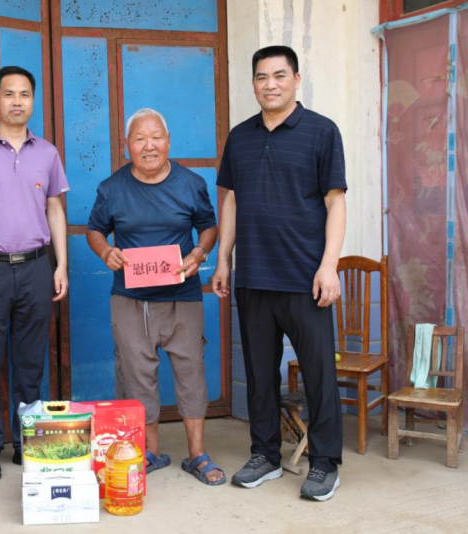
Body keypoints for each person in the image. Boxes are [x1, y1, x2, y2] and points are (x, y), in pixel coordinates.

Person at [211, 45, 347, 501]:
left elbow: (335, 202)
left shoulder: (322, 131)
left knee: (318, 374)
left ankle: (324, 463)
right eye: (261, 77)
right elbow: (231, 200)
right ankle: (265, 454)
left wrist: (329, 266)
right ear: (253, 83)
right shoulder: (240, 136)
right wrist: (224, 259)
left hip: (305, 278)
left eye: (279, 75)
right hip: (254, 276)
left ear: (296, 79)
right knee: (259, 374)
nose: (270, 84)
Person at [86, 108, 224, 485]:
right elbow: (95, 230)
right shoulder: (111, 188)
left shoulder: (191, 183)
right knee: (137, 375)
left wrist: (199, 253)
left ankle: (197, 454)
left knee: (191, 373)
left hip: (183, 296)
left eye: (156, 137)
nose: (149, 146)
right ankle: (149, 452)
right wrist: (105, 251)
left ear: (168, 141)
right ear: (127, 145)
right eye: (139, 139)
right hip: (131, 299)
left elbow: (208, 227)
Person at [0, 66, 69, 482]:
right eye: (9, 94)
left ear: (32, 101)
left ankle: (27, 443)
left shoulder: (47, 153)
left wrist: (60, 265)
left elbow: (55, 208)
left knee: (30, 364)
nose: (17, 101)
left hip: (37, 266)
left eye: (24, 94)